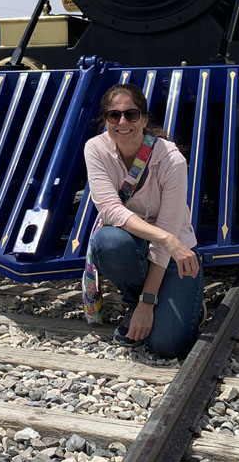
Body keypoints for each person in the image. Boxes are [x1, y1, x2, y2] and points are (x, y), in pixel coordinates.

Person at [82, 83, 203, 358]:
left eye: (131, 114)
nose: (122, 121)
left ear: (145, 120)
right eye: (114, 115)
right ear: (106, 121)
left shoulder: (170, 159)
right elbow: (110, 211)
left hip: (173, 255)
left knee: (167, 346)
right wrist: (165, 238)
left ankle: (169, 305)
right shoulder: (96, 149)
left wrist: (149, 304)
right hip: (145, 244)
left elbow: (168, 238)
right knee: (108, 241)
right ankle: (132, 302)